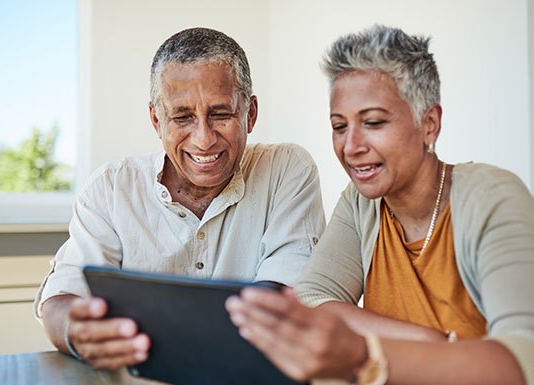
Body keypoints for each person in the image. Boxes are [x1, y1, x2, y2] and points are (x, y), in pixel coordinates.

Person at [226, 25, 534, 385]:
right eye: (339, 126)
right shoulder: (362, 205)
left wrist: (367, 352)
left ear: (429, 124)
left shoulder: (492, 197)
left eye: (374, 122)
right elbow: (313, 300)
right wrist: (427, 340)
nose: (351, 146)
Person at [34, 27, 325, 371]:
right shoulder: (111, 188)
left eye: (221, 114)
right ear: (157, 120)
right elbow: (61, 299)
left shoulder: (287, 170)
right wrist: (75, 331)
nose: (203, 139)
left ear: (250, 113)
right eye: (182, 117)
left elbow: (280, 302)